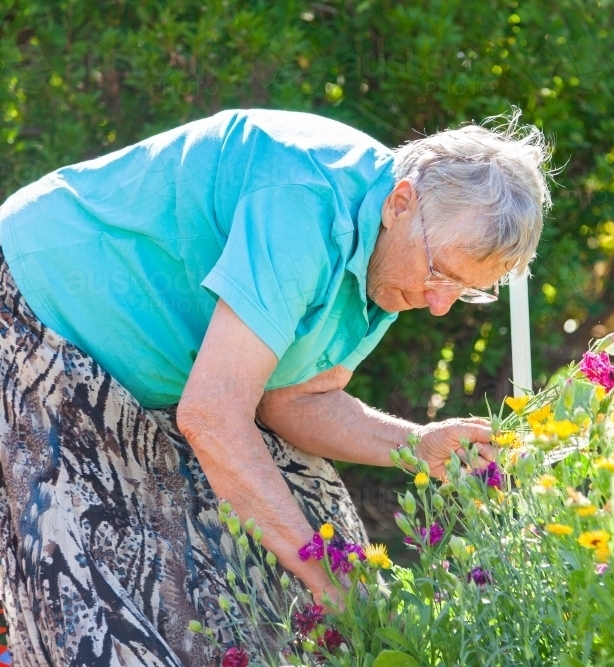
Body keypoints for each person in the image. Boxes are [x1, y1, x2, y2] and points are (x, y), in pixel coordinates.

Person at [0, 108, 552, 666]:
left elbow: (292, 399)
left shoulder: (398, 262)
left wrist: (419, 444)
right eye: (441, 274)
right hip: (43, 315)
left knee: (284, 581)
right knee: (108, 610)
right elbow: (214, 415)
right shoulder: (302, 201)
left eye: (465, 290)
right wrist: (323, 575)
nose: (440, 305)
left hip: (175, 382)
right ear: (400, 202)